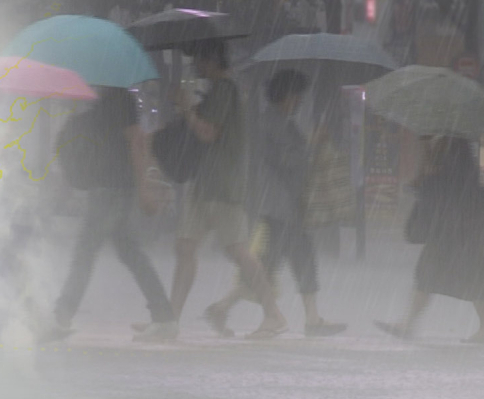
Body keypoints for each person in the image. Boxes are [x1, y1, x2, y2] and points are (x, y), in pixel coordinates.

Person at [202, 70, 346, 337]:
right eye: (298, 96)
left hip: (282, 205)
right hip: (280, 206)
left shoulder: (277, 120)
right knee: (278, 262)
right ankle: (295, 318)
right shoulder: (273, 123)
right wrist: (313, 144)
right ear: (288, 95)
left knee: (278, 261)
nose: (300, 102)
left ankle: (225, 308)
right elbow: (289, 160)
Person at [36, 87, 176, 343]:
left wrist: (144, 187)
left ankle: (62, 315)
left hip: (112, 188)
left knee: (85, 251)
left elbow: (136, 140)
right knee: (130, 253)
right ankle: (164, 317)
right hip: (108, 186)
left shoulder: (119, 97)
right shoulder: (99, 99)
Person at [169, 39, 286, 339]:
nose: (195, 66)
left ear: (210, 60)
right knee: (185, 247)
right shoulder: (218, 92)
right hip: (205, 183)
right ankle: (169, 319)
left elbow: (208, 132)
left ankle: (273, 314)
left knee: (238, 250)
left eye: (198, 59)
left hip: (221, 185)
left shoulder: (224, 90)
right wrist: (191, 109)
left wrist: (187, 110)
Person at [375, 135, 484, 343]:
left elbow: (430, 192)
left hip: (447, 236)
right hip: (463, 237)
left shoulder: (442, 169)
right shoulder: (462, 167)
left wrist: (427, 161)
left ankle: (409, 324)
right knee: (470, 278)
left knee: (430, 277)